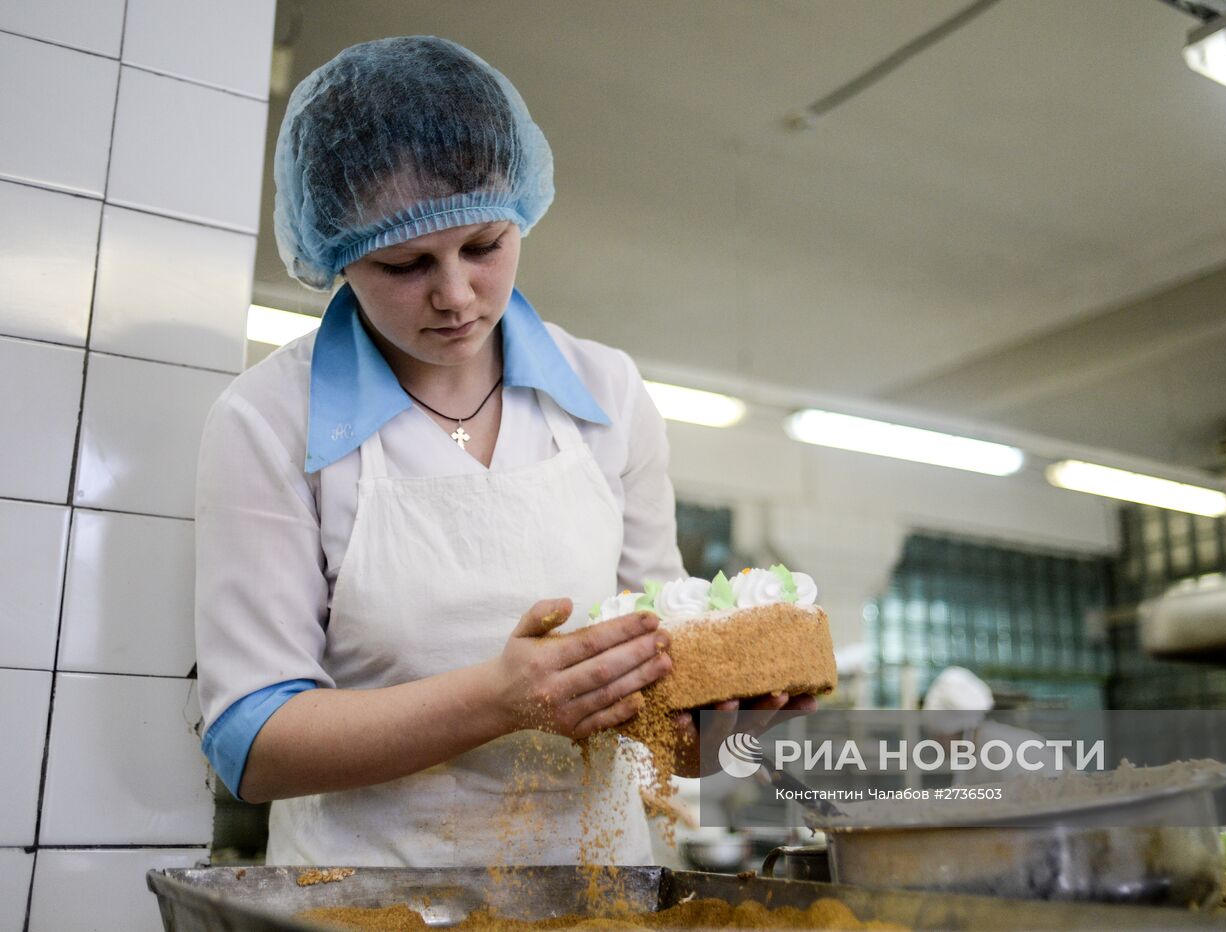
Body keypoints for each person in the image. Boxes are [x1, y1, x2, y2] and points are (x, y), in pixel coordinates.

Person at [194, 35, 808, 868]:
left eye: (484, 246)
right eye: (406, 262)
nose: (454, 295)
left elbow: (663, 723)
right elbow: (253, 744)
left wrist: (732, 728)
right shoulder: (267, 420)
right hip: (371, 901)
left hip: (599, 896)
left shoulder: (608, 396)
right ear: (337, 255)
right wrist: (501, 699)